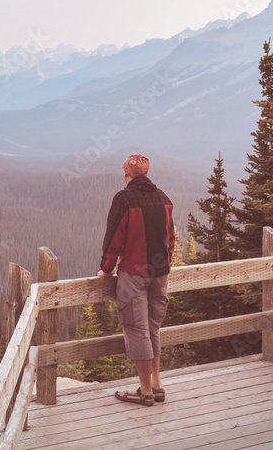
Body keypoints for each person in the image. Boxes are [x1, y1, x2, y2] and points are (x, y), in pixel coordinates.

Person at [97, 154, 175, 406]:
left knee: (136, 328)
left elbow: (114, 238)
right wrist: (166, 262)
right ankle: (157, 384)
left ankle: (145, 391)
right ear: (146, 172)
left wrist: (106, 269)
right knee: (153, 328)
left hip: (134, 273)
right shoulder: (163, 197)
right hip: (160, 274)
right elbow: (170, 237)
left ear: (126, 172)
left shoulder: (124, 198)